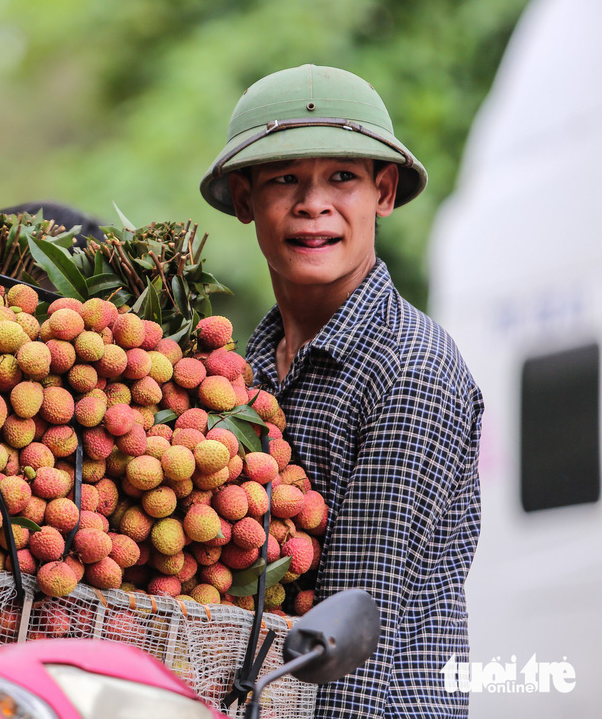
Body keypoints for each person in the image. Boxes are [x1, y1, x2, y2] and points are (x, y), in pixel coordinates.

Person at [199, 64, 483, 718]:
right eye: (284, 179)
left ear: (383, 192)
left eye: (343, 178)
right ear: (245, 201)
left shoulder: (410, 367)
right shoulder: (250, 369)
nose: (312, 204)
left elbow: (352, 635)